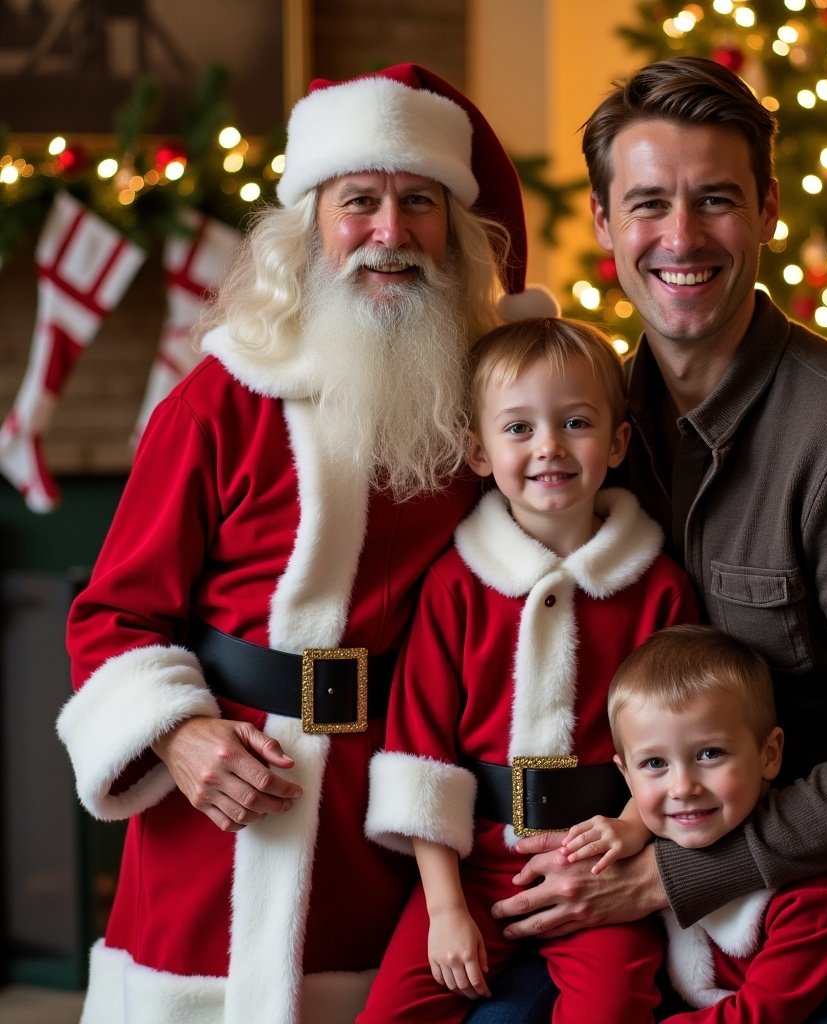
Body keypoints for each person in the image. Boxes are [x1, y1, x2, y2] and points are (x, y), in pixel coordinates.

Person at [55, 63, 559, 1024]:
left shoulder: (489, 420)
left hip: (397, 819)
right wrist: (178, 731)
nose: (389, 231)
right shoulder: (217, 402)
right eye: (358, 201)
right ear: (310, 228)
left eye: (419, 202)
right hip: (224, 812)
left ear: (454, 232)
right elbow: (111, 613)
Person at [491, 56, 827, 1022]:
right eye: (646, 204)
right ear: (603, 222)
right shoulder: (584, 432)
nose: (680, 238)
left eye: (715, 200)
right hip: (636, 864)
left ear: (765, 209)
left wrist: (684, 871)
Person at [358, 316, 699, 1023]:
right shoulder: (456, 584)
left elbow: (681, 739)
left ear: (618, 441)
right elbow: (420, 756)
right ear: (478, 451)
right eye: (519, 429)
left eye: (575, 422)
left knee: (612, 1006)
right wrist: (445, 907)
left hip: (601, 859)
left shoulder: (658, 587)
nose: (549, 447)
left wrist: (635, 830)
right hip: (474, 864)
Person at [564, 624, 827, 1022]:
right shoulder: (643, 842)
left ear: (769, 754)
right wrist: (631, 826)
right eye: (654, 763)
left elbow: (758, 1015)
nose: (683, 787)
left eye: (710, 754)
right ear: (626, 775)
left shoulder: (822, 895)